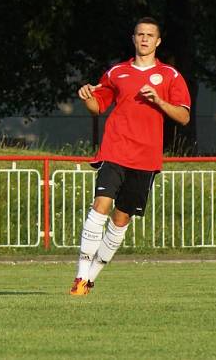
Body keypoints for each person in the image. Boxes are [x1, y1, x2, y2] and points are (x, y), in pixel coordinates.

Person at [70, 17, 191, 296]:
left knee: (120, 220)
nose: (145, 39)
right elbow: (97, 107)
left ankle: (90, 280)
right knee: (100, 204)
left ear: (158, 41)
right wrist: (86, 95)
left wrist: (159, 101)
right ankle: (79, 276)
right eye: (140, 34)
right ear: (133, 38)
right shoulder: (116, 72)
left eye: (150, 35)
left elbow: (183, 116)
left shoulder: (170, 76)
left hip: (146, 158)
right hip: (115, 149)